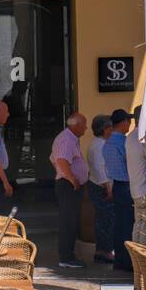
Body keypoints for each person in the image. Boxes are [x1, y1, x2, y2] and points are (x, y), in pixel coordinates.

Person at [50, 112, 89, 269]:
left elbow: (53, 159)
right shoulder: (67, 138)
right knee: (68, 222)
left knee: (70, 221)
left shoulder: (67, 138)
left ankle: (68, 255)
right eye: (84, 124)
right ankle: (66, 257)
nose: (86, 128)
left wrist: (63, 173)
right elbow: (61, 160)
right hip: (68, 185)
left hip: (66, 183)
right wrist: (71, 178)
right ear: (76, 125)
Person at [105, 109, 134, 271]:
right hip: (127, 185)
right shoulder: (124, 142)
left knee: (118, 224)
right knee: (128, 224)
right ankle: (128, 261)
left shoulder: (107, 143)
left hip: (116, 185)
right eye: (128, 121)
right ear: (122, 123)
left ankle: (119, 260)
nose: (130, 124)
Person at [85, 114, 115, 264]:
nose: (112, 130)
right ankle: (105, 251)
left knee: (103, 219)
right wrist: (108, 187)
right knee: (106, 220)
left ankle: (102, 250)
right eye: (110, 127)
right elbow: (99, 168)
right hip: (101, 188)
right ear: (104, 129)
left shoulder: (98, 143)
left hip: (99, 186)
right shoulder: (99, 146)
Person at [126, 105, 146, 245]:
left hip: (135, 187)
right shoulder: (143, 137)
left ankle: (136, 260)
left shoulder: (130, 137)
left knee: (138, 224)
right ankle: (143, 260)